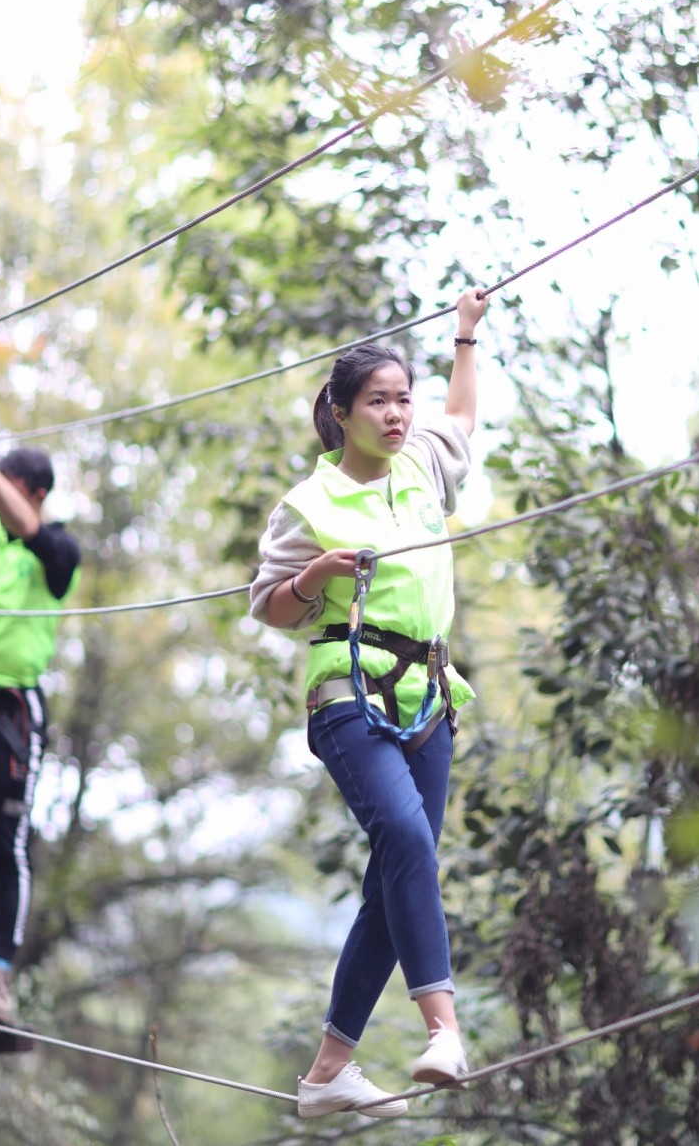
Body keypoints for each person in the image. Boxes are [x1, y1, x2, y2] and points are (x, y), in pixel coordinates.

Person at [249, 287, 489, 1119]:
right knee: (405, 837)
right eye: (379, 402)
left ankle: (328, 1073)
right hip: (347, 688)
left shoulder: (422, 460)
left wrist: (463, 337)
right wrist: (318, 573)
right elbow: (272, 606)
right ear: (341, 413)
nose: (396, 414)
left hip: (430, 696)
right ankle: (443, 1028)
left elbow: (459, 419)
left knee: (398, 872)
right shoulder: (309, 504)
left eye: (402, 399)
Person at [0, 424, 80, 1023]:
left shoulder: (57, 551)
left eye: (4, 484)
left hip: (17, 716)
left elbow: (28, 530)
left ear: (30, 492)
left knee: (10, 847)